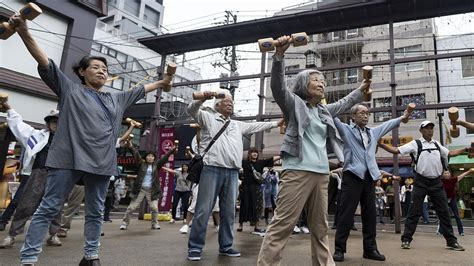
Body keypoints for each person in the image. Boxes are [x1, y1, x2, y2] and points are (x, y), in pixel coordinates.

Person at [9, 13, 171, 265]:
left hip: (102, 161)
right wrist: (24, 31)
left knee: (95, 212)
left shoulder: (116, 99)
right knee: (49, 208)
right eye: (95, 67)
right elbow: (45, 62)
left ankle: (91, 256)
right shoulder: (70, 90)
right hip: (66, 157)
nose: (101, 71)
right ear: (82, 72)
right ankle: (29, 259)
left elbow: (142, 89)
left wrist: (164, 81)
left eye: (104, 69)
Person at [257, 35, 369, 266]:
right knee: (283, 226)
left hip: (321, 174)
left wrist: (361, 89)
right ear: (303, 85)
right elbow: (277, 87)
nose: (321, 83)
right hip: (297, 171)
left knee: (320, 228)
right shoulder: (293, 105)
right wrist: (279, 56)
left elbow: (345, 103)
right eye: (316, 79)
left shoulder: (323, 111)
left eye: (323, 81)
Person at [187, 90, 280, 261]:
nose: (230, 104)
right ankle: (195, 247)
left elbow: (257, 126)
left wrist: (276, 123)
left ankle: (226, 246)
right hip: (211, 169)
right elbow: (191, 110)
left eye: (232, 102)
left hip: (232, 172)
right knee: (202, 210)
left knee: (229, 212)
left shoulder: (237, 125)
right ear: (217, 105)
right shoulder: (208, 118)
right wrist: (202, 99)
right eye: (226, 101)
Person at [332, 104, 410, 262]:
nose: (366, 116)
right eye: (362, 113)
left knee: (370, 215)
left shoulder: (372, 133)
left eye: (367, 113)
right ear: (353, 116)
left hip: (369, 177)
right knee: (346, 214)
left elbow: (387, 124)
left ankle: (370, 249)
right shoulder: (346, 130)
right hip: (352, 175)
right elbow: (331, 117)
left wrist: (403, 117)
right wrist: (323, 103)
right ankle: (339, 249)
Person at [378, 120, 467, 252]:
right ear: (421, 130)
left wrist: (466, 149)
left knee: (444, 212)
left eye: (431, 128)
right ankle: (406, 239)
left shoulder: (437, 144)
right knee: (414, 212)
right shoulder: (416, 143)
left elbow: (449, 153)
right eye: (426, 128)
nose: (430, 130)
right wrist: (380, 144)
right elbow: (396, 150)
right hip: (421, 182)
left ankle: (451, 241)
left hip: (437, 182)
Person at [0, 104, 62, 249]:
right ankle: (12, 235)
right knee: (26, 204)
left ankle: (53, 235)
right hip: (38, 173)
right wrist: (9, 109)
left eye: (58, 122)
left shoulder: (68, 140)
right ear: (48, 123)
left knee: (56, 206)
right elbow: (19, 126)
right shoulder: (37, 135)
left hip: (57, 175)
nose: (55, 125)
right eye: (53, 122)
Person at [119, 142, 176, 230]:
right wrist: (131, 146)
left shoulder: (156, 165)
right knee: (131, 208)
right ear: (145, 157)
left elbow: (164, 159)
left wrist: (171, 151)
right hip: (140, 189)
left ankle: (154, 224)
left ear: (154, 158)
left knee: (154, 208)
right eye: (148, 156)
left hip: (152, 190)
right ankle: (124, 223)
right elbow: (136, 155)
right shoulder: (141, 164)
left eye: (152, 156)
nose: (150, 157)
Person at [237, 148, 279, 234]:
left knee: (257, 207)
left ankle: (256, 226)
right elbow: (235, 159)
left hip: (256, 187)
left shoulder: (261, 162)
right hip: (246, 187)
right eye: (252, 152)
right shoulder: (245, 162)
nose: (254, 154)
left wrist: (282, 155)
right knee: (244, 206)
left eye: (256, 152)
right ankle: (240, 226)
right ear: (249, 154)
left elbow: (271, 159)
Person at [438, 169, 471, 236]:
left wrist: (468, 171)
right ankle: (440, 231)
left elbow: (461, 176)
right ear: (443, 175)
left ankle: (461, 231)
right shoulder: (440, 181)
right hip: (444, 200)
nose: (446, 174)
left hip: (452, 199)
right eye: (445, 173)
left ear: (450, 174)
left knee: (457, 216)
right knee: (443, 215)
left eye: (448, 173)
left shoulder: (452, 180)